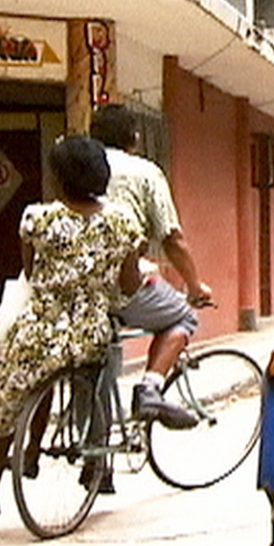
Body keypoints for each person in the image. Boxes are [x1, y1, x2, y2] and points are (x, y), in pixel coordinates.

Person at [0, 135, 144, 519]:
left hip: (41, 332)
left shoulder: (38, 218)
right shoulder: (123, 222)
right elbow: (130, 284)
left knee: (5, 400)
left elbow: (31, 273)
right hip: (90, 333)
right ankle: (85, 460)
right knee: (89, 382)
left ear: (59, 178)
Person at [89, 104, 213, 430]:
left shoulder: (80, 167)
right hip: (123, 284)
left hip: (79, 285)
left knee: (92, 360)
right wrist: (195, 285)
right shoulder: (144, 172)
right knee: (183, 316)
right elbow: (171, 238)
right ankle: (150, 389)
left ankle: (94, 450)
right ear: (133, 138)